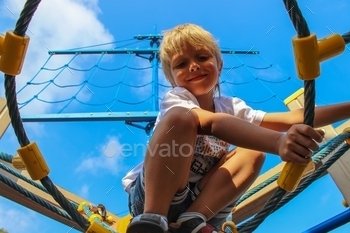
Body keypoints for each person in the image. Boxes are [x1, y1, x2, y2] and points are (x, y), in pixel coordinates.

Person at [122, 23, 350, 233]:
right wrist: (279, 142)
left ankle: (192, 222)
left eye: (202, 57)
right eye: (181, 64)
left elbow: (293, 118)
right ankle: (153, 220)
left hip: (200, 201)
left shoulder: (232, 107)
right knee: (181, 119)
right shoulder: (176, 98)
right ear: (172, 79)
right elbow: (209, 122)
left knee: (253, 151)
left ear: (219, 66)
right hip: (154, 196)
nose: (193, 66)